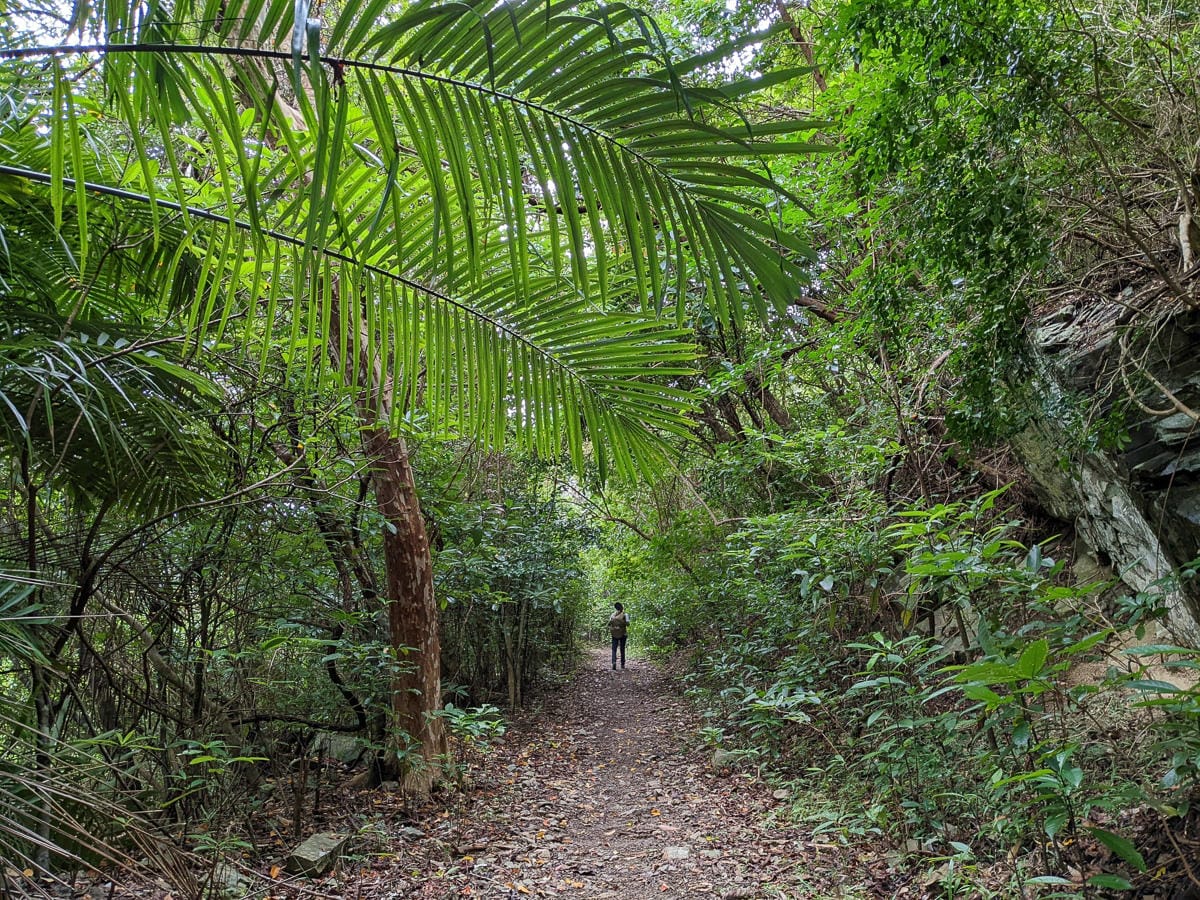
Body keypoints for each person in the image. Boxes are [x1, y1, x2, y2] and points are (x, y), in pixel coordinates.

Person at [608, 602, 629, 670]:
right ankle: (622, 664)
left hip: (614, 633)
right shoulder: (625, 614)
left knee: (614, 649)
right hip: (623, 633)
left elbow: (609, 624)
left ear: (615, 608)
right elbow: (628, 624)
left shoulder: (613, 615)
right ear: (622, 608)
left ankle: (614, 662)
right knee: (622, 649)